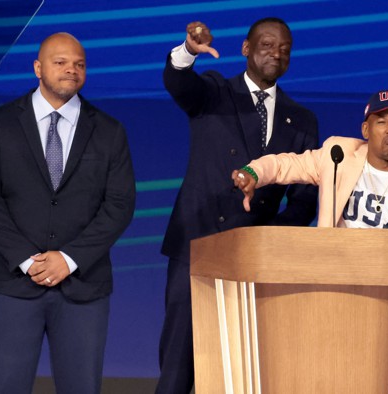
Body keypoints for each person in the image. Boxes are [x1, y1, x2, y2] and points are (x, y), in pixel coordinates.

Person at [0, 32, 136, 394]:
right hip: (14, 283)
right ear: (38, 68)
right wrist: (28, 260)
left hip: (83, 286)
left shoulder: (109, 131)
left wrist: (70, 259)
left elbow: (119, 205)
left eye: (79, 64)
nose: (71, 70)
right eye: (60, 62)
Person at [157, 17, 319, 393]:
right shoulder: (214, 91)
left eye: (284, 48)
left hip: (254, 260)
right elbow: (179, 83)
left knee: (241, 371)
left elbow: (304, 199)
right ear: (246, 49)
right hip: (196, 248)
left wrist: (265, 238)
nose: (275, 53)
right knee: (179, 366)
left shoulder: (303, 120)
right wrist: (186, 53)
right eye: (266, 44)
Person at [232, 90, 388, 241]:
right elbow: (286, 164)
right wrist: (254, 172)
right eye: (382, 122)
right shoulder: (338, 155)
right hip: (335, 276)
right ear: (365, 130)